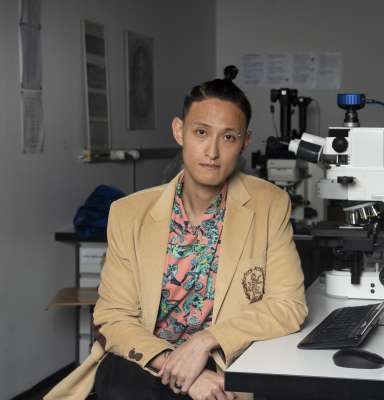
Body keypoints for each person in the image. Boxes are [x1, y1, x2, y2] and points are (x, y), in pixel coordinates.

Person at [45, 68, 308, 400]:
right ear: (179, 131)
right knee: (122, 385)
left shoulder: (269, 203)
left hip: (222, 361)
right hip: (145, 361)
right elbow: (113, 316)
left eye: (228, 137)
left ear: (245, 142)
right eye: (201, 132)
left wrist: (204, 342)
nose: (212, 151)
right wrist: (178, 367)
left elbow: (288, 305)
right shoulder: (129, 213)